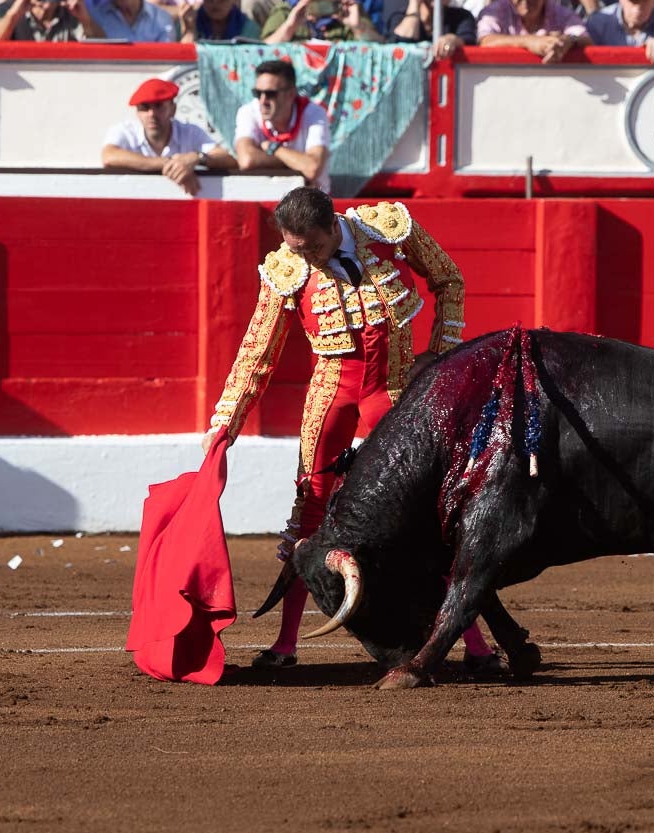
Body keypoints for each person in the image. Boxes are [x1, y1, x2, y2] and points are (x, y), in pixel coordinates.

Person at [202, 186, 507, 677]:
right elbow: (257, 352)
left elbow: (449, 279)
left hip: (396, 393)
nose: (303, 258)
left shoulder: (387, 229)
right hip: (331, 397)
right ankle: (285, 644)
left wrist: (443, 351)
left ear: (331, 226)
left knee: (426, 518)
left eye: (311, 247)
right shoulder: (288, 269)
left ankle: (474, 645)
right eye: (293, 247)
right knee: (311, 513)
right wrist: (225, 423)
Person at [101, 78, 238, 195]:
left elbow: (229, 159)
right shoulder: (125, 131)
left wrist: (196, 158)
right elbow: (109, 156)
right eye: (144, 107)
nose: (152, 114)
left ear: (173, 109)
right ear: (137, 113)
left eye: (159, 106)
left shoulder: (190, 132)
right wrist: (170, 163)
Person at [232, 58, 330, 191]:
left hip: (310, 203)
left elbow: (312, 168)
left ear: (291, 94)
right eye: (257, 93)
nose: (262, 100)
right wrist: (295, 162)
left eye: (270, 94)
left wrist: (274, 148)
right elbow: (247, 160)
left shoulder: (315, 114)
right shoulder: (248, 111)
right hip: (266, 196)